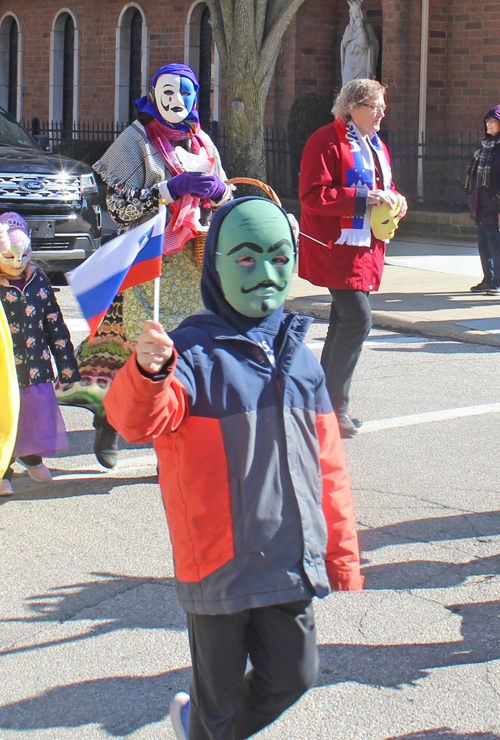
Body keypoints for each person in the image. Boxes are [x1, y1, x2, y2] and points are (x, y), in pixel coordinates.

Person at [104, 197, 364, 740]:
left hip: (288, 559)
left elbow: (328, 467)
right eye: (245, 259)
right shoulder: (192, 355)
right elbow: (136, 421)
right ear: (215, 265)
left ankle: (199, 732)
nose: (265, 274)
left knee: (295, 674)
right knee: (217, 702)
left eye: (278, 257)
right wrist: (148, 372)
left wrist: (339, 552)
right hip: (219, 565)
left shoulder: (300, 357)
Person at [56, 63, 231, 469]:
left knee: (186, 354)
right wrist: (170, 189)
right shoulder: (136, 139)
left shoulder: (203, 143)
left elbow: (223, 197)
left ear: (195, 98)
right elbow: (118, 207)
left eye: (184, 92)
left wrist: (219, 192)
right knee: (137, 350)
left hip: (190, 264)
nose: (175, 100)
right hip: (144, 261)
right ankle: (109, 420)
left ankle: (173, 446)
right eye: (167, 91)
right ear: (153, 95)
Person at [299, 78, 407, 439]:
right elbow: (313, 195)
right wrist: (365, 198)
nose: (381, 113)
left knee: (345, 321)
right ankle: (333, 408)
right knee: (358, 320)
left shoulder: (376, 145)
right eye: (374, 106)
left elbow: (383, 187)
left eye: (382, 106)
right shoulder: (324, 141)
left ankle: (322, 407)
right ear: (352, 107)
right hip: (336, 248)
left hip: (364, 248)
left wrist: (395, 199)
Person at [0, 213, 80, 495]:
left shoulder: (39, 281)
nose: (16, 263)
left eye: (22, 256)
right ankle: (3, 469)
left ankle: (31, 456)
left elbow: (55, 325)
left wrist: (67, 367)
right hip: (4, 374)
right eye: (8, 257)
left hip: (36, 369)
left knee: (33, 418)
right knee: (5, 418)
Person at [465, 105, 500, 296]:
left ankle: (498, 282)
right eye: (487, 121)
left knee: (497, 245)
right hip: (482, 204)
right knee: (484, 245)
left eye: (493, 120)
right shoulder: (485, 146)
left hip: (495, 205)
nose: (489, 124)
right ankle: (489, 279)